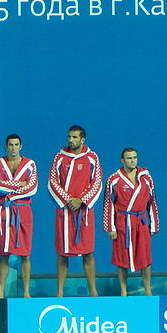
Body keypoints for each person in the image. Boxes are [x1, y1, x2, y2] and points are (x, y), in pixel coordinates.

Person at [48, 125, 103, 297]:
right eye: (69, 137)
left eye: (74, 137)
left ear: (82, 139)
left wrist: (82, 200)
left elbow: (97, 182)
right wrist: (68, 200)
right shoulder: (59, 157)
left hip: (84, 212)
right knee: (62, 252)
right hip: (65, 212)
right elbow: (52, 182)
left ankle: (93, 290)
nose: (71, 140)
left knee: (88, 252)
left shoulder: (92, 157)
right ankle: (60, 292)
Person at [103, 148, 159, 296]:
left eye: (134, 157)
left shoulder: (146, 177)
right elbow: (108, 204)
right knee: (122, 260)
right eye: (129, 158)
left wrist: (153, 225)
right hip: (123, 222)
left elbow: (152, 202)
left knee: (145, 258)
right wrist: (110, 227)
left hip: (141, 221)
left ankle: (148, 291)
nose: (132, 160)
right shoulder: (114, 179)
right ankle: (123, 291)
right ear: (122, 160)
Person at [0, 134, 38, 298]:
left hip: (23, 211)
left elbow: (32, 188)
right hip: (5, 212)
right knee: (4, 253)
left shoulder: (30, 164)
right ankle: (0, 292)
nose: (13, 148)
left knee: (25, 254)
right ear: (6, 146)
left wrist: (9, 192)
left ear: (21, 146)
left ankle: (26, 292)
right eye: (10, 145)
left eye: (16, 145)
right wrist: (19, 184)